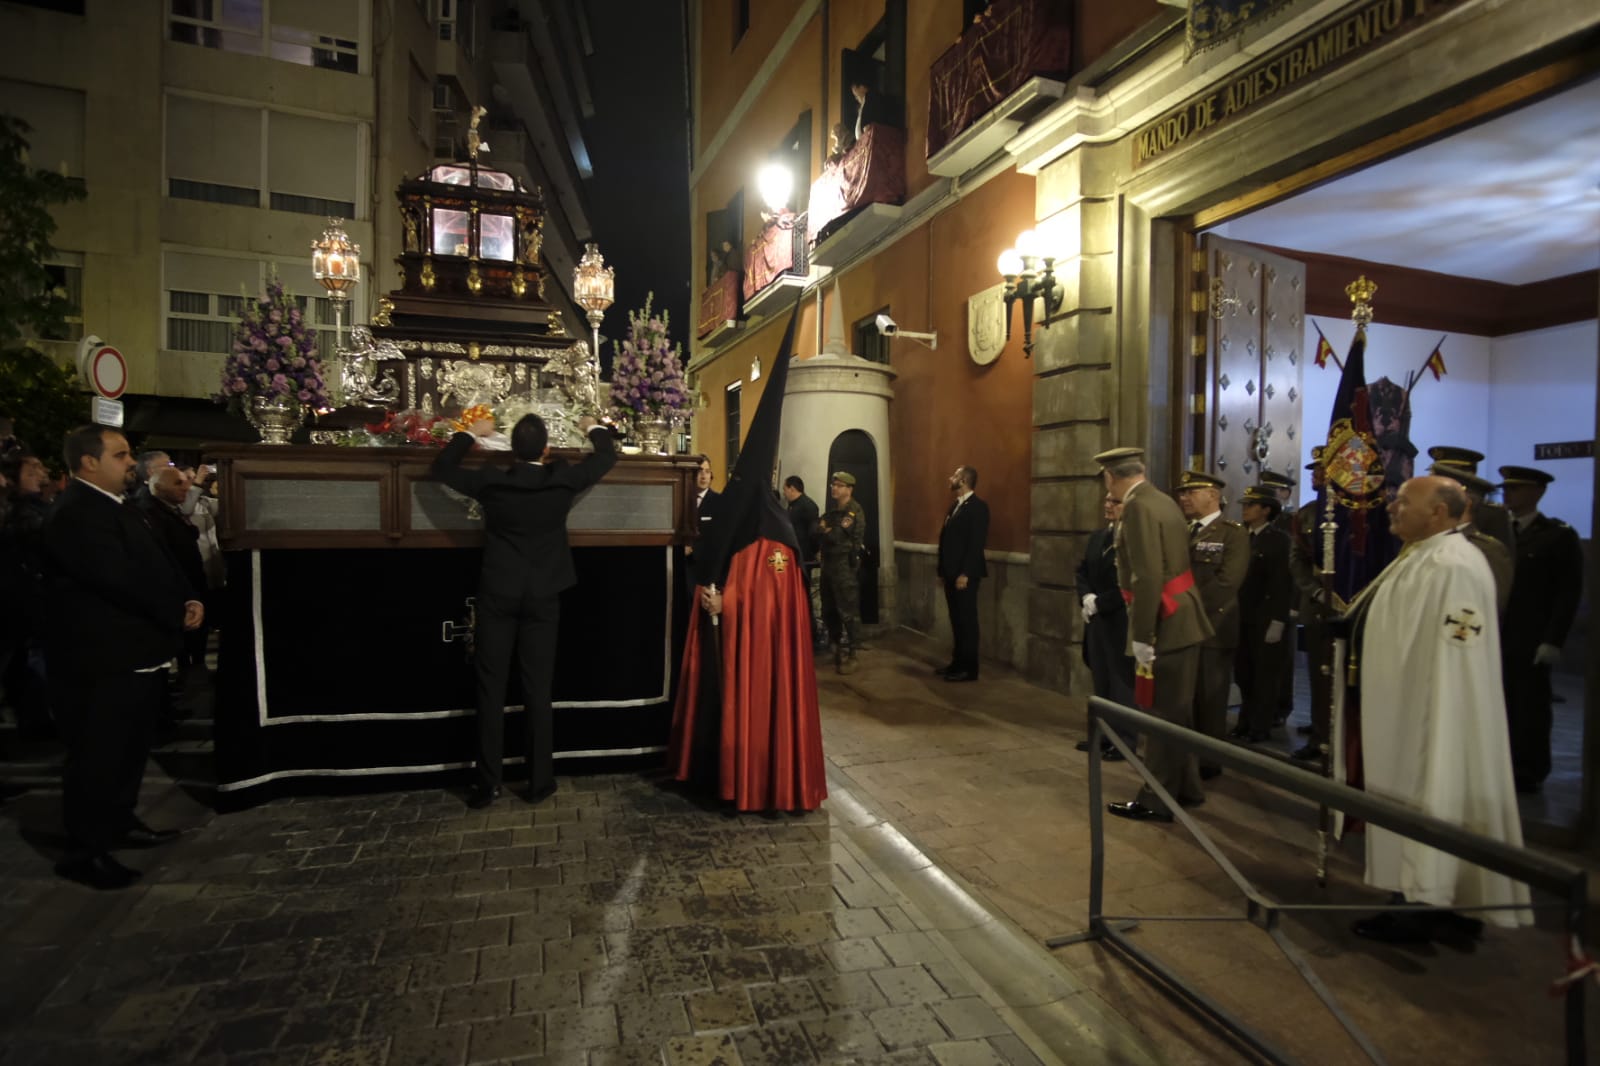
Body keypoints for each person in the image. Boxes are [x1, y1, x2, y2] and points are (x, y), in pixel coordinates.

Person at [1348, 476, 1530, 943]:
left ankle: (1420, 902)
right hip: (1405, 702)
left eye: (1404, 502)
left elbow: (1457, 647)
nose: (1392, 507)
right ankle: (1432, 899)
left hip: (1431, 710)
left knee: (1432, 792)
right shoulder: (1423, 554)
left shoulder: (1453, 564)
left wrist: (1433, 711)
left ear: (1439, 512)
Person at [669, 306, 826, 812]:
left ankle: (766, 782)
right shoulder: (751, 532)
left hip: (759, 657)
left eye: (740, 483)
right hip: (740, 652)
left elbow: (771, 602)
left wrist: (727, 603)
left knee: (767, 704)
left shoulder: (775, 542)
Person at [41, 425, 204, 889]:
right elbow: (114, 578)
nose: (130, 462)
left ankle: (120, 820)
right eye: (120, 454)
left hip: (136, 651)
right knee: (98, 755)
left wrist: (189, 597)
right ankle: (84, 850)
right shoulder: (77, 513)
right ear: (88, 462)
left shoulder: (119, 507)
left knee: (129, 749)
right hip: (101, 658)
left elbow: (160, 562)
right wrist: (173, 610)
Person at [431, 413, 617, 808]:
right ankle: (539, 781)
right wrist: (591, 428)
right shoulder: (561, 480)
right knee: (538, 687)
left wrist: (468, 434)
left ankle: (488, 783)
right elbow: (606, 457)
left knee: (490, 687)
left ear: (511, 450)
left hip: (498, 590)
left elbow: (442, 467)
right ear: (546, 449)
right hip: (545, 593)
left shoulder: (491, 481)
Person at [1095, 448, 1212, 823]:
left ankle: (1156, 799)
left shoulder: (1139, 507)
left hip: (1165, 621)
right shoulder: (1161, 500)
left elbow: (1147, 575)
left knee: (1160, 715)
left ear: (1111, 476)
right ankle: (1188, 788)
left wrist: (1142, 635)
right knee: (1179, 712)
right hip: (1181, 616)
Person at [1498, 464, 1583, 794]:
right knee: (1500, 701)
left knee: (1529, 706)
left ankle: (1528, 769)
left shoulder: (1557, 536)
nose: (1508, 494)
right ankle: (1501, 763)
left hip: (1530, 636)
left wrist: (1553, 640)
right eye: (1505, 489)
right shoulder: (1497, 532)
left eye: (1515, 489)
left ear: (1537, 492)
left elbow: (1567, 593)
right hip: (1497, 632)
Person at [1174, 470, 1248, 778]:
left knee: (1211, 698)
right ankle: (1187, 756)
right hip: (1183, 626)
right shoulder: (1184, 530)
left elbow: (1228, 581)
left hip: (1213, 626)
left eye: (1191, 492)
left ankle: (1209, 761)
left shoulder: (1232, 533)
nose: (1183, 498)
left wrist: (1187, 608)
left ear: (1213, 496)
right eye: (1182, 493)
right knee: (1186, 697)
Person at [1075, 492, 1133, 761]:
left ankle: (1123, 742)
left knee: (1121, 683)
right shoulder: (1098, 537)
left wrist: (1102, 602)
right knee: (1101, 679)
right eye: (1107, 501)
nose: (1108, 506)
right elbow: (1083, 570)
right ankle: (1102, 736)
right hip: (1096, 618)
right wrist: (1086, 597)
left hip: (1120, 619)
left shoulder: (1132, 538)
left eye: (1115, 502)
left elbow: (1131, 581)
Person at [1232, 487, 1293, 742]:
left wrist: (1279, 620)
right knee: (1244, 673)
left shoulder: (1278, 539)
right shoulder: (1240, 536)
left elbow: (1282, 582)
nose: (1245, 508)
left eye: (1252, 505)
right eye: (1245, 504)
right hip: (1242, 615)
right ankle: (1244, 721)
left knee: (1264, 675)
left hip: (1266, 616)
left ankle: (1260, 725)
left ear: (1266, 510)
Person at [136, 466, 210, 673]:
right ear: (158, 487)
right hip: (178, 587)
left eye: (185, 482)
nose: (186, 487)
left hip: (189, 584)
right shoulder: (152, 513)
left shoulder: (170, 510)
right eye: (178, 483)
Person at [1288, 456, 1336, 762]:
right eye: (1314, 470)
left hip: (1347, 607)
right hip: (1318, 604)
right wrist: (1315, 590)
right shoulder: (1307, 514)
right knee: (1319, 676)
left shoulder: (1358, 515)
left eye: (1322, 469)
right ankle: (1320, 736)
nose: (1316, 475)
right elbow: (1297, 560)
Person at [1, 451, 52, 738]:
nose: (40, 473)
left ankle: (35, 716)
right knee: (29, 659)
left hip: (29, 597)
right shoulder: (19, 512)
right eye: (31, 470)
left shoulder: (36, 507)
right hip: (20, 600)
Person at [1428, 464, 1512, 614]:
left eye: (1433, 497)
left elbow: (1488, 610)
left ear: (1465, 503)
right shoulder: (1423, 541)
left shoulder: (1487, 551)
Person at [936, 465, 989, 683]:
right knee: (956, 620)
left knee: (967, 621)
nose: (950, 478)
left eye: (955, 475)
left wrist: (965, 573)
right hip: (950, 573)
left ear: (964, 480)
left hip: (964, 575)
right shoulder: (955, 506)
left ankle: (969, 669)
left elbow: (975, 544)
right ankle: (957, 663)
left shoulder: (978, 507)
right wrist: (943, 570)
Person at [819, 471, 867, 675]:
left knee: (848, 611)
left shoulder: (853, 511)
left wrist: (827, 531)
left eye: (839, 485)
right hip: (829, 566)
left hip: (844, 568)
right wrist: (824, 529)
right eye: (833, 485)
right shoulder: (833, 512)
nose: (834, 488)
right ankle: (836, 645)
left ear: (849, 489)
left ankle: (854, 653)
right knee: (829, 608)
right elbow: (817, 528)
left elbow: (836, 536)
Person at [1428, 446, 1513, 550]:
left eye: (1445, 474)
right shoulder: (1430, 507)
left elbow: (1500, 557)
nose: (1433, 478)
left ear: (1469, 474)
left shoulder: (1488, 513)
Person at [782, 475, 824, 646]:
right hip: (793, 558)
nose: (784, 493)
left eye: (785, 489)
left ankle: (811, 635)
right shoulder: (792, 506)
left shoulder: (808, 506)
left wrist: (814, 552)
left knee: (804, 597)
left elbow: (814, 533)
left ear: (792, 488)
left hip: (804, 559)